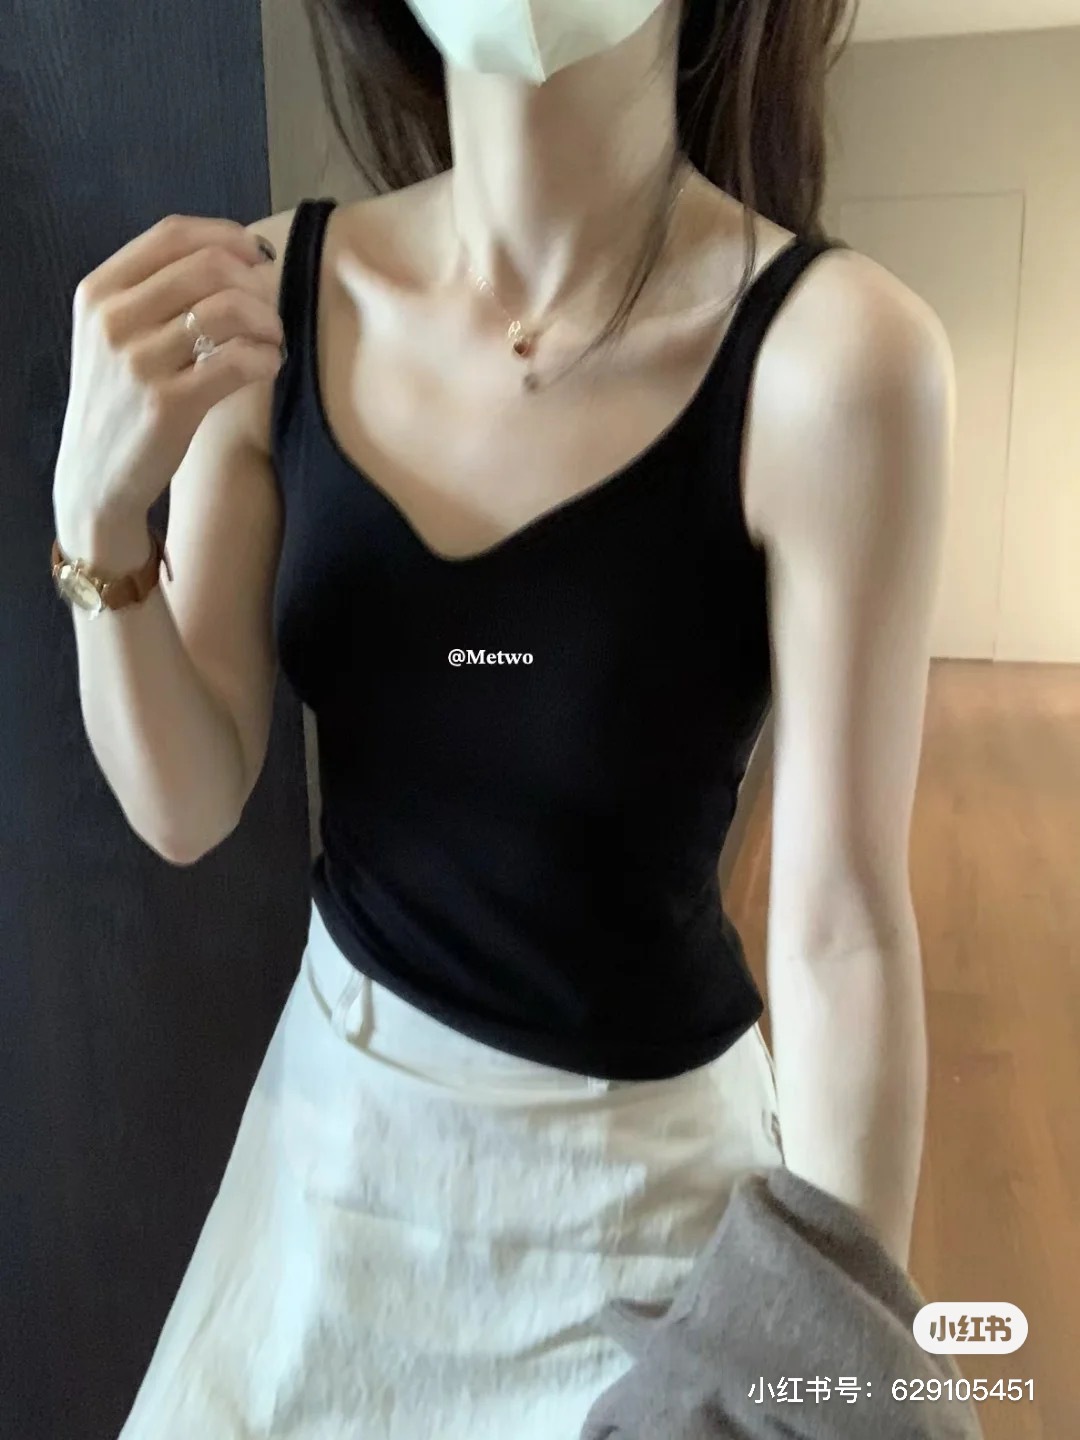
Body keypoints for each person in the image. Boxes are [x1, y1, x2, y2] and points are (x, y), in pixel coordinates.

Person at [50, 1, 954, 1436]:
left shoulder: (837, 358)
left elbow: (843, 928)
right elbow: (189, 801)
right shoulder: (263, 300)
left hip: (643, 1191)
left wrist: (832, 1372)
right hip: (333, 1144)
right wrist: (98, 527)